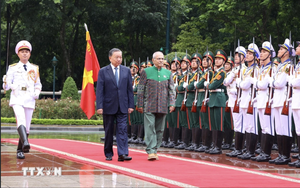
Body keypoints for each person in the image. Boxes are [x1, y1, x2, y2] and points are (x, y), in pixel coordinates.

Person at [2, 40, 42, 159]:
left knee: (27, 127)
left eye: (27, 52)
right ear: (18, 54)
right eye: (22, 52)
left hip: (29, 98)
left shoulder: (34, 68)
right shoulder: (13, 68)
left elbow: (38, 84)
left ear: (30, 54)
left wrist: (37, 93)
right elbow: (6, 86)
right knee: (20, 119)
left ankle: (20, 149)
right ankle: (26, 143)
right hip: (17, 97)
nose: (24, 54)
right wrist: (6, 83)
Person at [96, 48, 134, 162]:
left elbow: (129, 90)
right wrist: (99, 106)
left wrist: (131, 105)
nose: (119, 59)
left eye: (120, 57)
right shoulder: (103, 71)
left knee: (122, 129)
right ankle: (108, 153)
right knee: (109, 130)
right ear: (110, 58)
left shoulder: (126, 71)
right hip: (108, 106)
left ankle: (122, 153)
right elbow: (99, 91)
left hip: (122, 105)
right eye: (116, 57)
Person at [137, 51, 175, 160]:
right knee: (150, 127)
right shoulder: (146, 72)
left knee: (160, 129)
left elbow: (172, 90)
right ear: (153, 60)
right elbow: (140, 89)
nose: (161, 61)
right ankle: (151, 150)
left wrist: (172, 103)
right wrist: (139, 104)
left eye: (162, 59)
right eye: (158, 59)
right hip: (149, 104)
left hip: (162, 105)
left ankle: (155, 148)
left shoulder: (168, 73)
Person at [225, 46, 247, 157]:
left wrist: (234, 89)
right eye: (236, 55)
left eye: (239, 55)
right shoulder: (234, 70)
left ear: (244, 57)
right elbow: (225, 82)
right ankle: (237, 147)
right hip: (233, 99)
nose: (236, 57)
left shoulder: (244, 70)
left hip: (240, 100)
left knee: (240, 124)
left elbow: (245, 86)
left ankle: (240, 148)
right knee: (236, 124)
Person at [289, 41, 300, 167]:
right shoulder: (297, 64)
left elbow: (296, 81)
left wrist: (293, 81)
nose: (297, 48)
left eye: (299, 46)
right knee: (298, 130)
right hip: (296, 98)